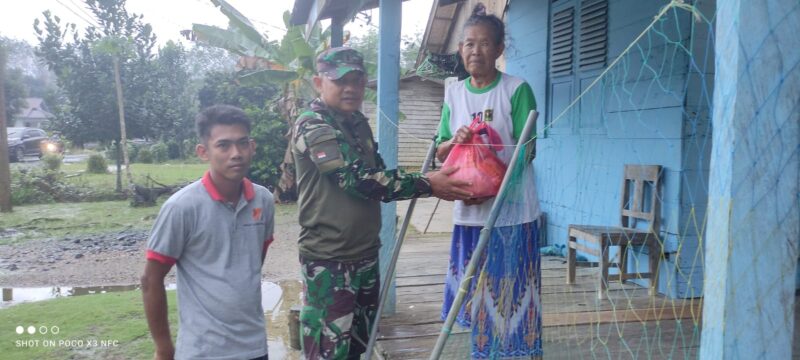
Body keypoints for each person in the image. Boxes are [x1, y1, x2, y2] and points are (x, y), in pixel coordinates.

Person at [291, 47, 474, 360]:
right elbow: (356, 179)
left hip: (364, 254)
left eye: (357, 80)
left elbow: (377, 173)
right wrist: (427, 183)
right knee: (327, 352)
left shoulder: (357, 122)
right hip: (330, 262)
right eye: (341, 80)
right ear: (318, 83)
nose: (351, 88)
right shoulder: (314, 125)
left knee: (359, 346)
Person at [435, 3, 543, 358]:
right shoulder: (454, 92)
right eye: (468, 43)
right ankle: (482, 353)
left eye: (484, 43)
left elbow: (528, 151)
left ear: (499, 49)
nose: (474, 50)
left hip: (511, 212)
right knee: (477, 291)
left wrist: (491, 182)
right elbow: (440, 150)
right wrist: (457, 141)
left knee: (511, 291)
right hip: (469, 212)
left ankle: (519, 353)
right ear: (460, 49)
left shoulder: (516, 89)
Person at [141, 105, 275, 360]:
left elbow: (252, 264)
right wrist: (163, 347)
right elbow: (150, 280)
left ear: (252, 146)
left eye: (242, 143)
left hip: (254, 348)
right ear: (203, 152)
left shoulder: (263, 200)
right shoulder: (181, 207)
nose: (236, 153)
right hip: (203, 351)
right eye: (224, 145)